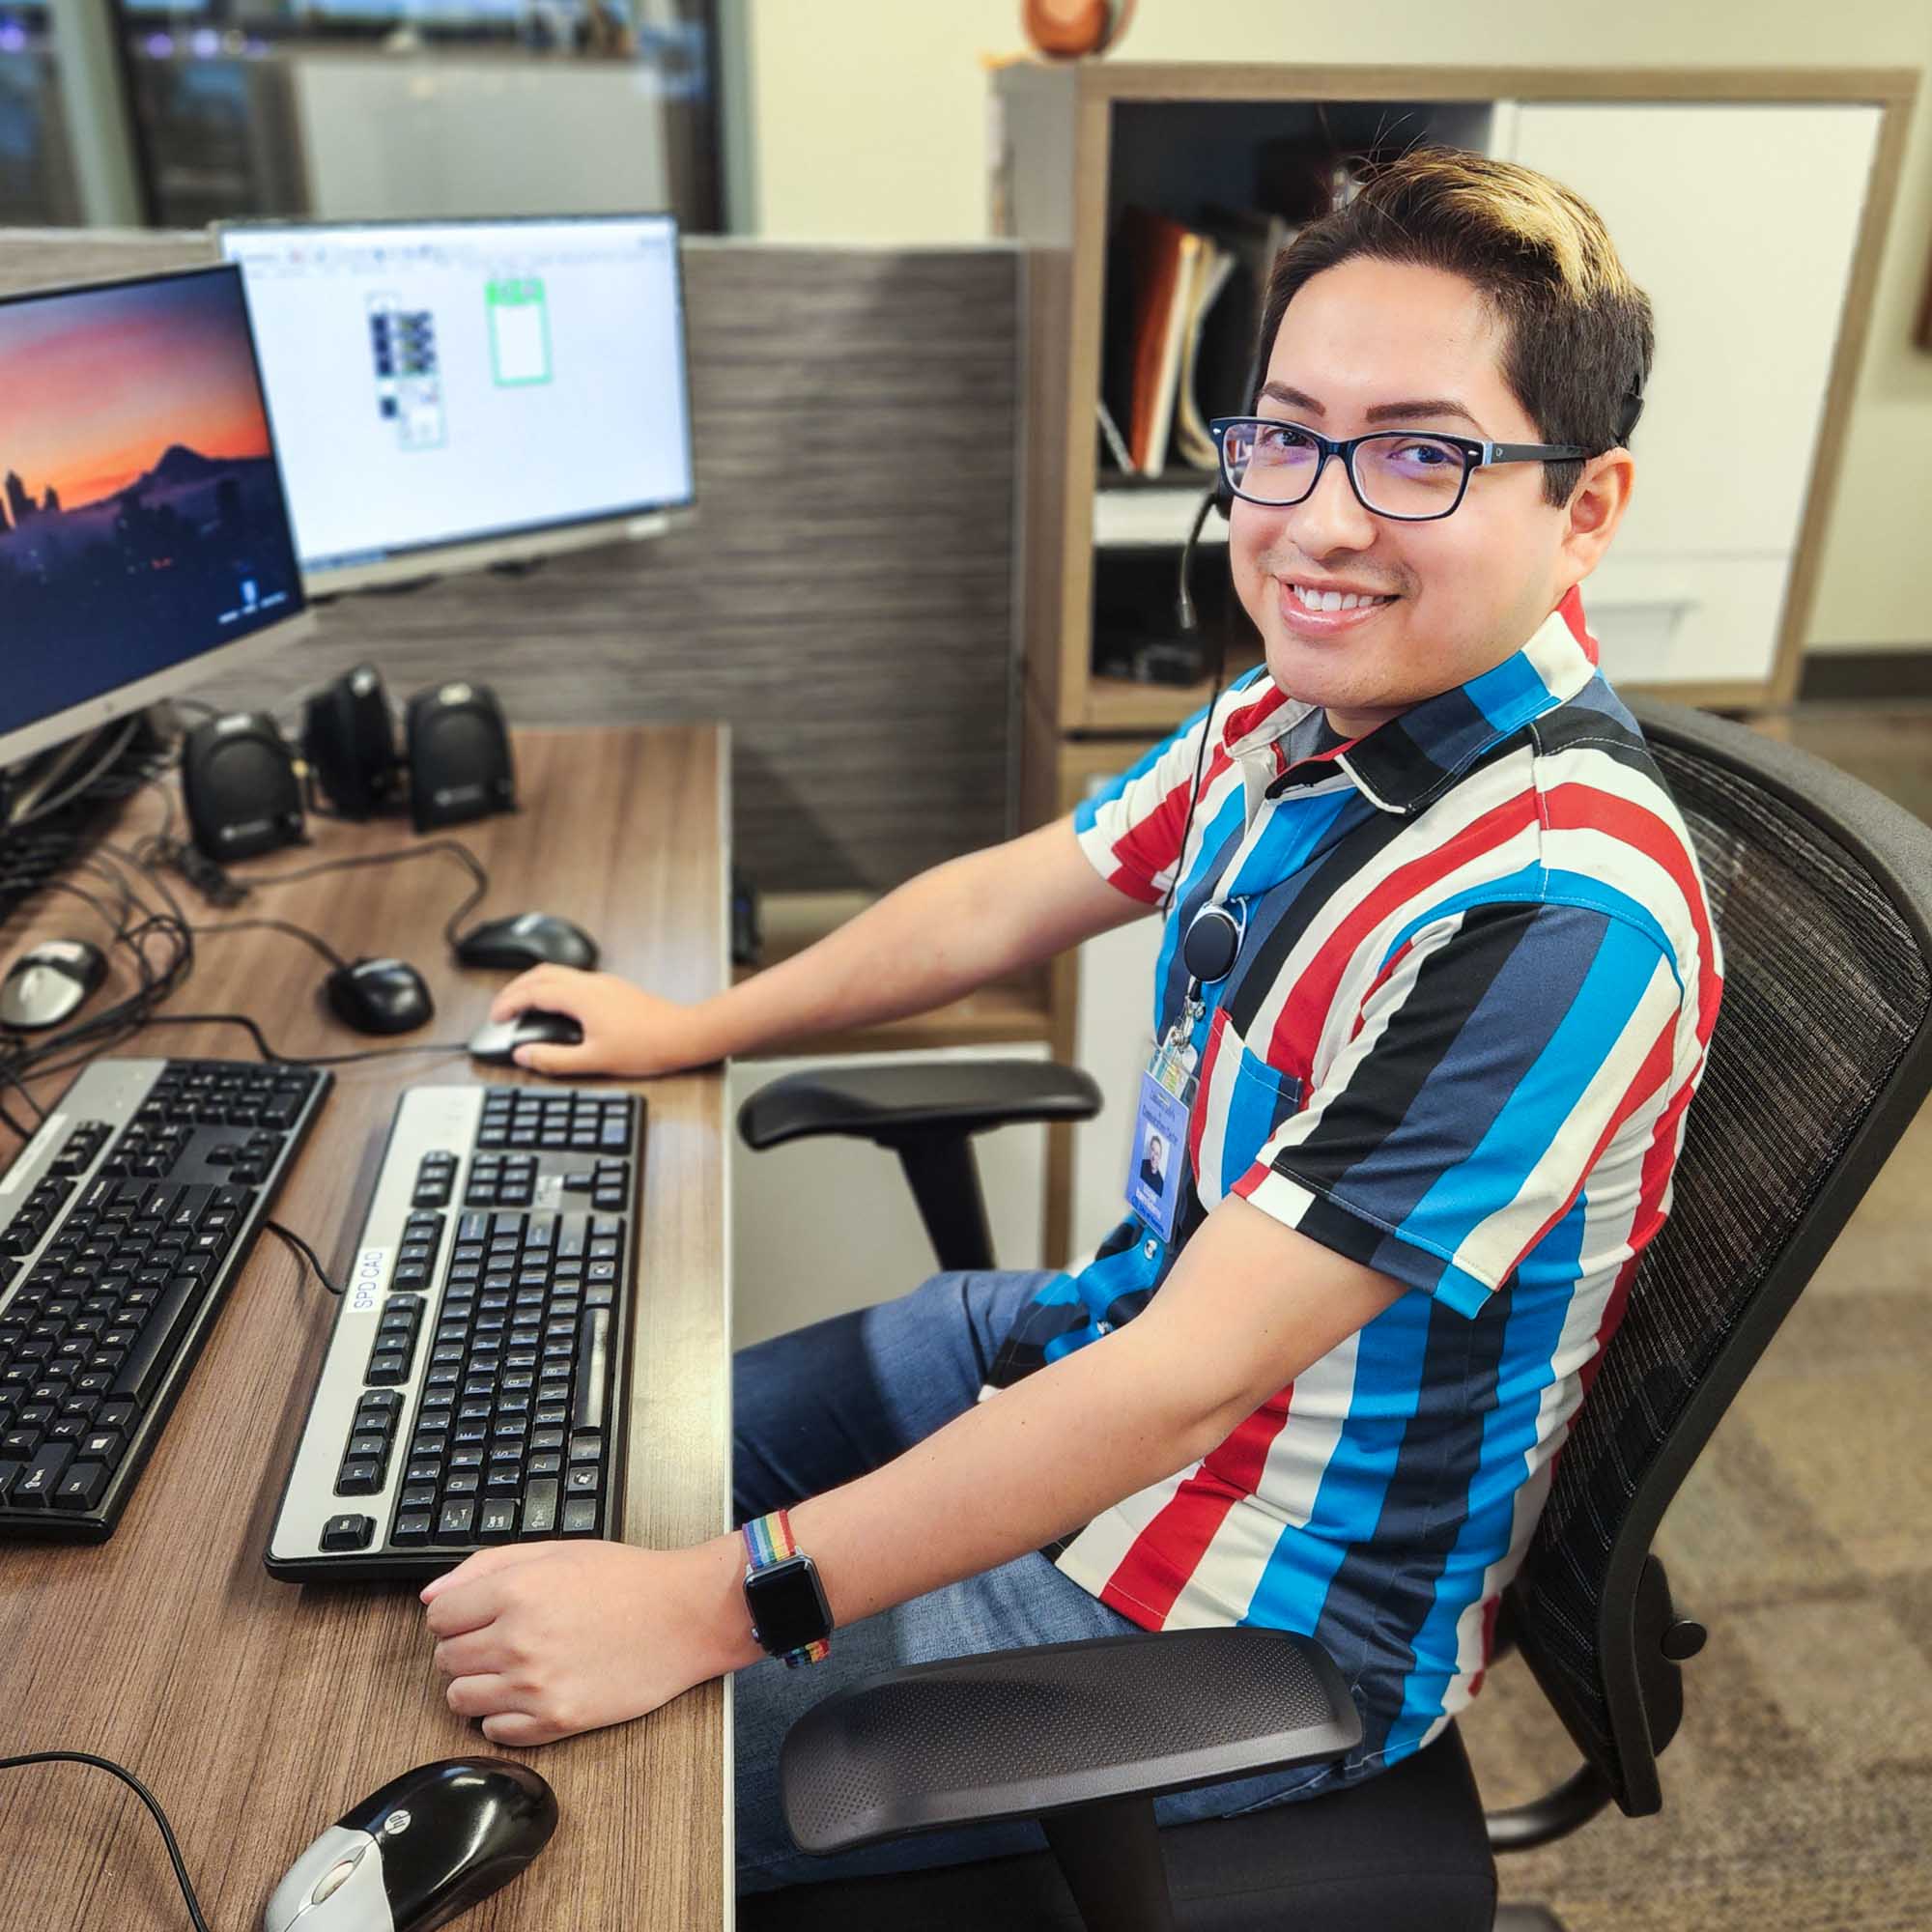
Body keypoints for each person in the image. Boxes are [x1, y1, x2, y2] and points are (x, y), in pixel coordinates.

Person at [418, 148, 1721, 1891]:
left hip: (1237, 1594)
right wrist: (692, 1021)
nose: (1320, 519)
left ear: (1589, 506)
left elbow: (1185, 1396)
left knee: (549, 1808)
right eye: (1285, 434)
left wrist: (687, 1612)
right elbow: (1013, 892)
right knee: (558, 1447)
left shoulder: (1555, 916)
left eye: (1422, 453)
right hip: (1075, 1338)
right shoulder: (1300, 709)